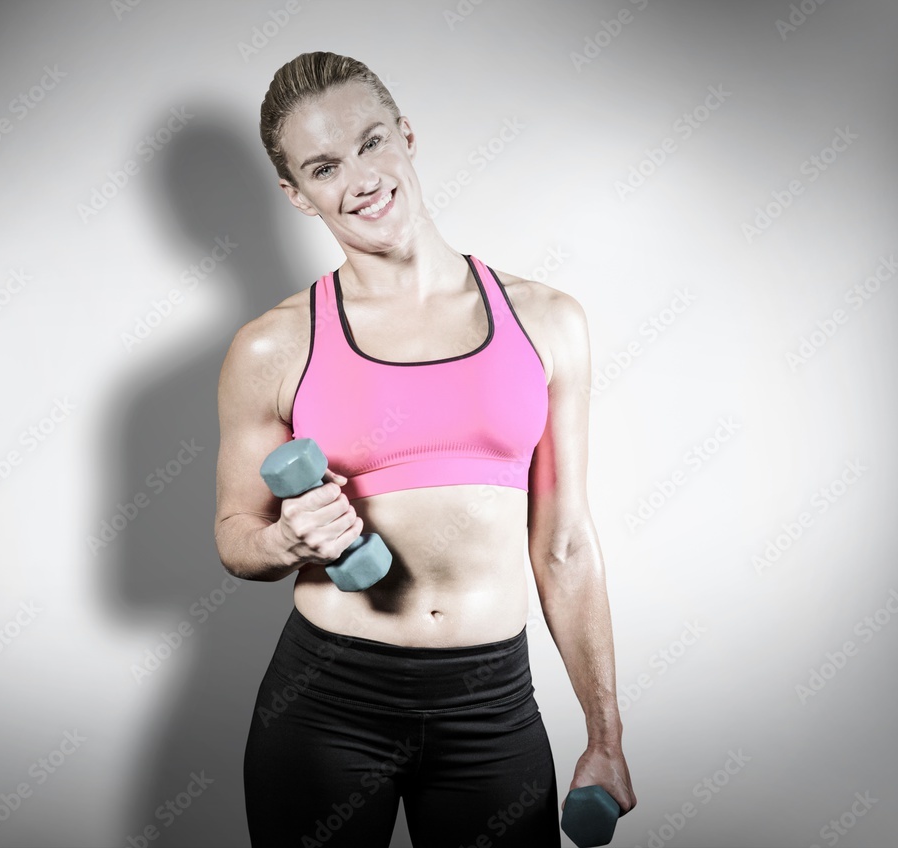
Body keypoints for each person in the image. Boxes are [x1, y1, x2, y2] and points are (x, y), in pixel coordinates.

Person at [215, 51, 636, 848]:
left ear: (406, 136)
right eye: (324, 166)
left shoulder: (546, 321)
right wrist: (282, 539)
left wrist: (605, 734)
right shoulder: (273, 346)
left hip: (492, 702)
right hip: (326, 702)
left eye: (372, 142)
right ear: (296, 195)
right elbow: (235, 534)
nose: (362, 177)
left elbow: (567, 542)